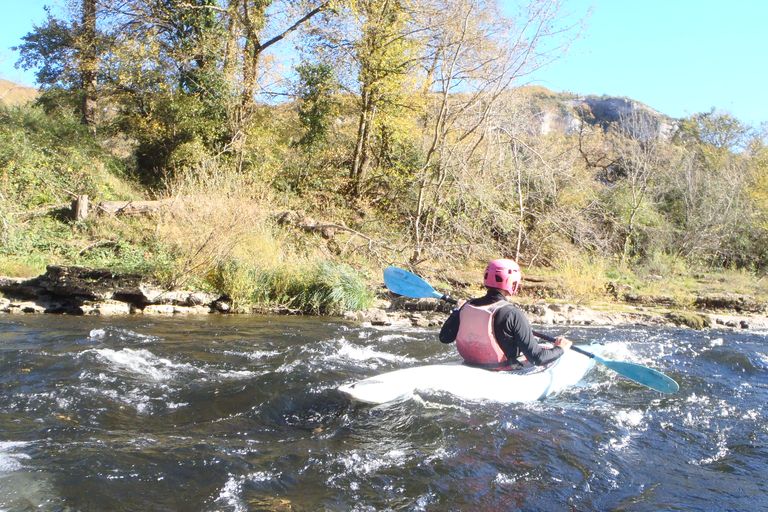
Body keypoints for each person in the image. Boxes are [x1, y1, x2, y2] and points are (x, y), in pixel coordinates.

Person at [439, 258, 572, 368]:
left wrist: (457, 311)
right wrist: (560, 348)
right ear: (513, 284)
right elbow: (537, 358)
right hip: (500, 370)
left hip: (470, 364)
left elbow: (445, 338)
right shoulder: (512, 314)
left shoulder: (466, 306)